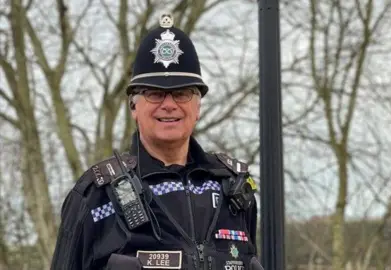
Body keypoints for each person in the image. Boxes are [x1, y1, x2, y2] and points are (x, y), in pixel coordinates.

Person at [50, 13, 261, 270]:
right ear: (133, 107)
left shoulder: (232, 189)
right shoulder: (96, 195)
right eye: (154, 94)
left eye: (182, 94)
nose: (169, 105)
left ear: (198, 107)